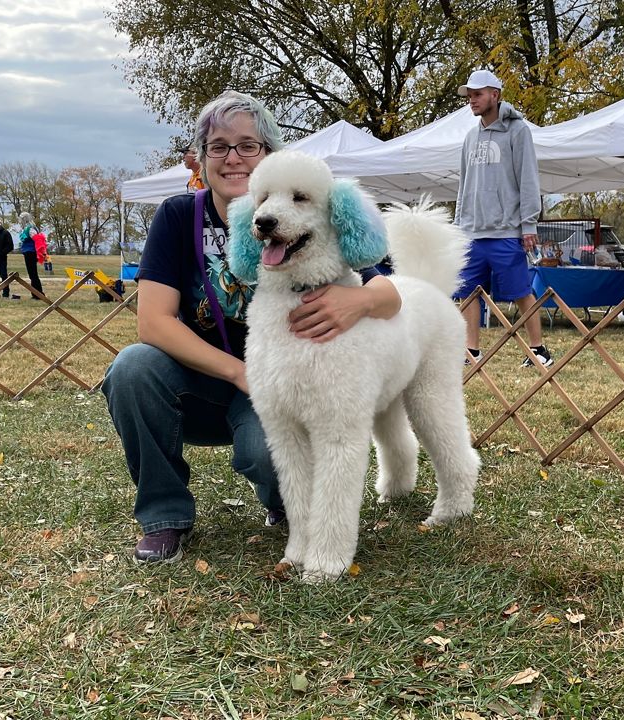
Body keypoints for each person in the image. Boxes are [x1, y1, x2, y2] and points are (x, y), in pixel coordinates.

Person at [101, 91, 402, 564]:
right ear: (200, 159)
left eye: (248, 145)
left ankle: (288, 510)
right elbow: (154, 323)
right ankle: (165, 518)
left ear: (269, 155)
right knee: (132, 368)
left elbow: (391, 294)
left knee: (269, 452)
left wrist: (358, 298)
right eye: (218, 146)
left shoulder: (315, 217)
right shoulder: (178, 217)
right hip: (206, 379)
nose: (233, 158)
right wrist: (241, 373)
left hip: (283, 385)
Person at [453, 69, 553, 369]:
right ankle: (472, 350)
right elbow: (463, 185)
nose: (472, 100)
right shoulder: (470, 137)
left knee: (520, 290)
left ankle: (538, 349)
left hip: (506, 230)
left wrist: (528, 224)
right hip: (472, 231)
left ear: (495, 95)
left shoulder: (518, 131)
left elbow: (528, 179)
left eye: (478, 94)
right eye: (469, 96)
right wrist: (459, 227)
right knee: (467, 293)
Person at [16, 212, 45, 300]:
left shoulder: (30, 228)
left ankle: (38, 293)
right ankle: (35, 293)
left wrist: (40, 251)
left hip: (31, 252)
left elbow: (37, 239)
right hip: (27, 252)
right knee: (32, 274)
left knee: (33, 274)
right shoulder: (25, 228)